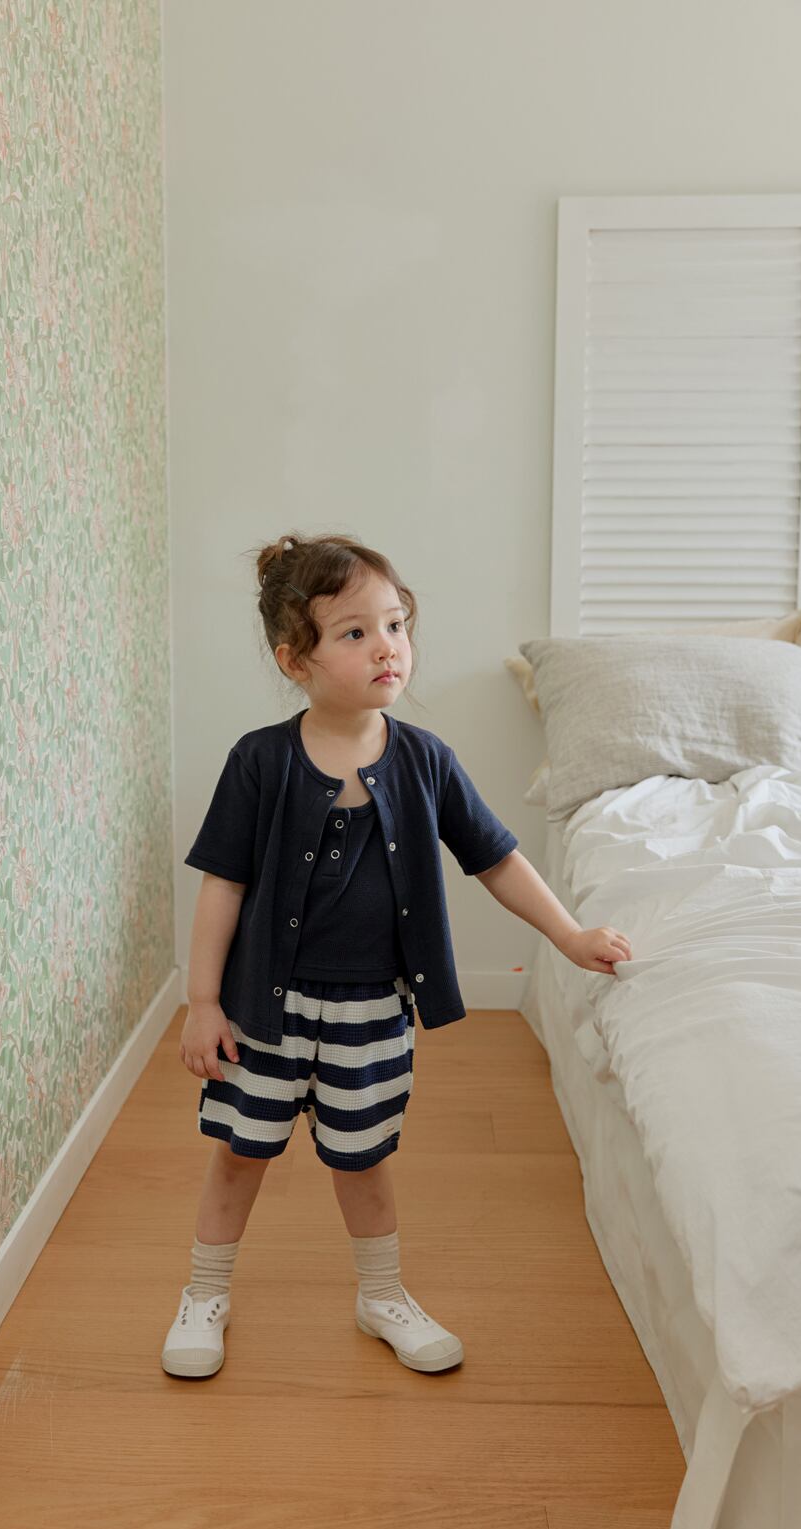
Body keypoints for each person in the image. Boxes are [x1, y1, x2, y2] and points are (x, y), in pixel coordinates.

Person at [161, 532, 632, 1379]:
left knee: (363, 1157)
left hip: (371, 1009)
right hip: (263, 1009)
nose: (387, 647)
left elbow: (496, 858)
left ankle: (381, 1297)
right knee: (240, 1152)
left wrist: (570, 935)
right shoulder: (260, 761)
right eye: (355, 633)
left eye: (395, 624)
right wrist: (203, 1002)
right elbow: (222, 886)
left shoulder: (425, 760)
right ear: (295, 660)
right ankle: (205, 1294)